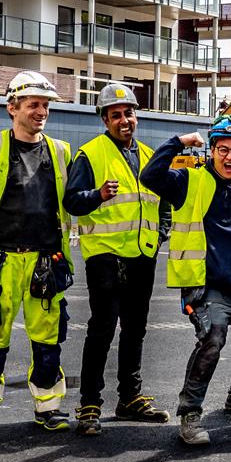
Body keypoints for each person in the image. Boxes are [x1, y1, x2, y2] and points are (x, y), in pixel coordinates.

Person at [140, 116, 231, 445]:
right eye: (223, 150)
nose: (230, 157)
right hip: (209, 287)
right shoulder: (189, 181)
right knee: (213, 340)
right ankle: (190, 413)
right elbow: (150, 175)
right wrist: (179, 142)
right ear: (212, 151)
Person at [0, 71, 72, 434]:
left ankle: (49, 406)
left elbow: (69, 203)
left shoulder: (60, 151)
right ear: (12, 108)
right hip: (1, 259)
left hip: (45, 260)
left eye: (44, 106)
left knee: (48, 340)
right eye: (33, 106)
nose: (40, 112)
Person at [62, 82, 169, 436]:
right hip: (106, 257)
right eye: (116, 115)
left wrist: (162, 228)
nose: (124, 120)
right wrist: (98, 194)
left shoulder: (151, 155)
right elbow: (72, 201)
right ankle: (90, 403)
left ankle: (130, 398)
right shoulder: (90, 155)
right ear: (105, 120)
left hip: (142, 254)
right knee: (103, 329)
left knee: (136, 329)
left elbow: (162, 200)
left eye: (129, 113)